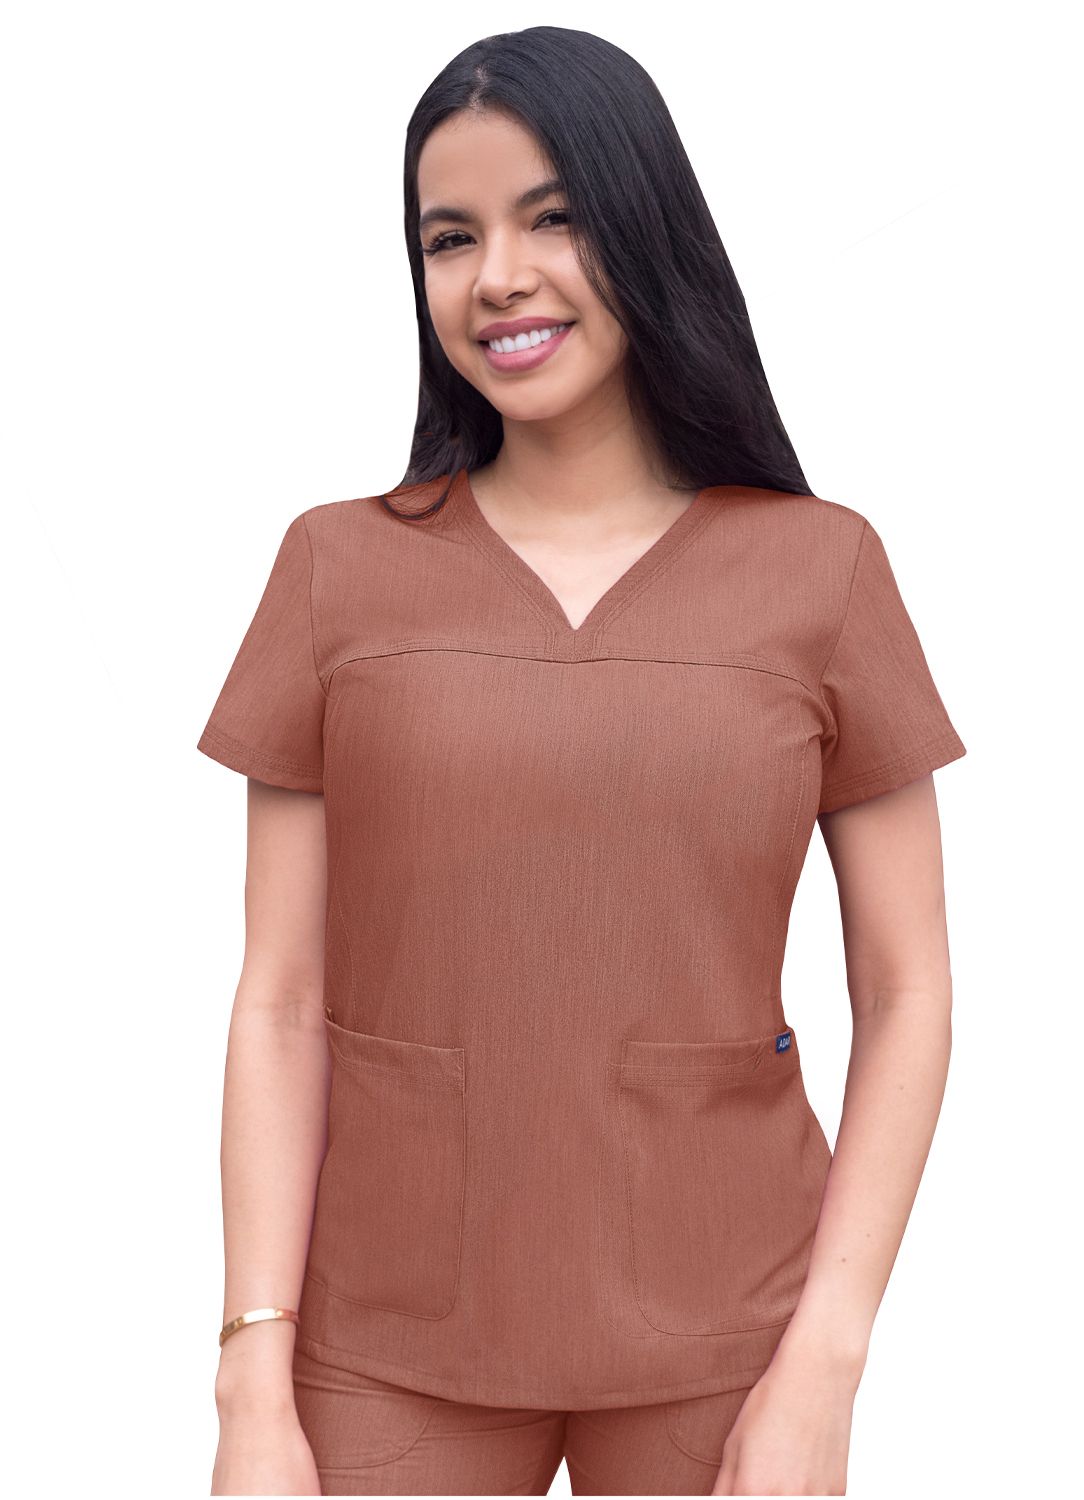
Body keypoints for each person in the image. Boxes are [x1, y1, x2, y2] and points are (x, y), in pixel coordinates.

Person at [200, 25, 967, 1498]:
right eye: (450, 237)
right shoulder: (333, 569)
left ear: (646, 226)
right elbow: (280, 1000)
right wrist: (250, 1372)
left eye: (552, 217)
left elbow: (908, 989)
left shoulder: (823, 571)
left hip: (729, 1337)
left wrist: (824, 1365)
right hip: (381, 1341)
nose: (497, 276)